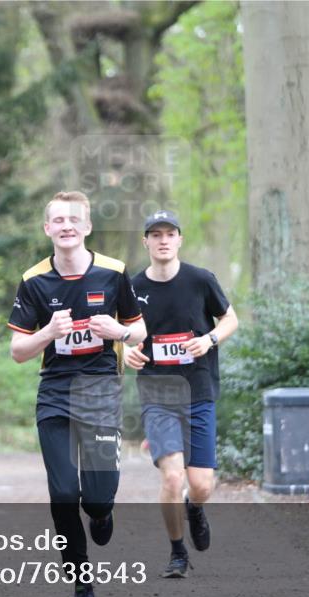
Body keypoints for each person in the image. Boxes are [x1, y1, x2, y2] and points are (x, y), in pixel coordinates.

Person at [8, 191, 146, 597]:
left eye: (74, 219)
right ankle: (81, 585)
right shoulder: (34, 280)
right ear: (47, 229)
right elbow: (17, 350)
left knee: (98, 498)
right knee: (64, 494)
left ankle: (102, 515)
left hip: (102, 391)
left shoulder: (114, 273)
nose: (66, 225)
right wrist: (48, 332)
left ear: (87, 227)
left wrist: (118, 334)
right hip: (55, 393)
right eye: (58, 220)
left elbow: (140, 332)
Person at [122, 211, 238, 578]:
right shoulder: (132, 288)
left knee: (202, 484)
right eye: (155, 234)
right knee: (172, 477)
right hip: (157, 391)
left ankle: (195, 507)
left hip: (198, 389)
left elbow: (231, 319)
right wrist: (123, 351)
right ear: (146, 242)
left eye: (169, 233)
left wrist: (210, 339)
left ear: (179, 239)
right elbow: (117, 331)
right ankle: (177, 552)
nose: (163, 240)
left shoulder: (200, 280)